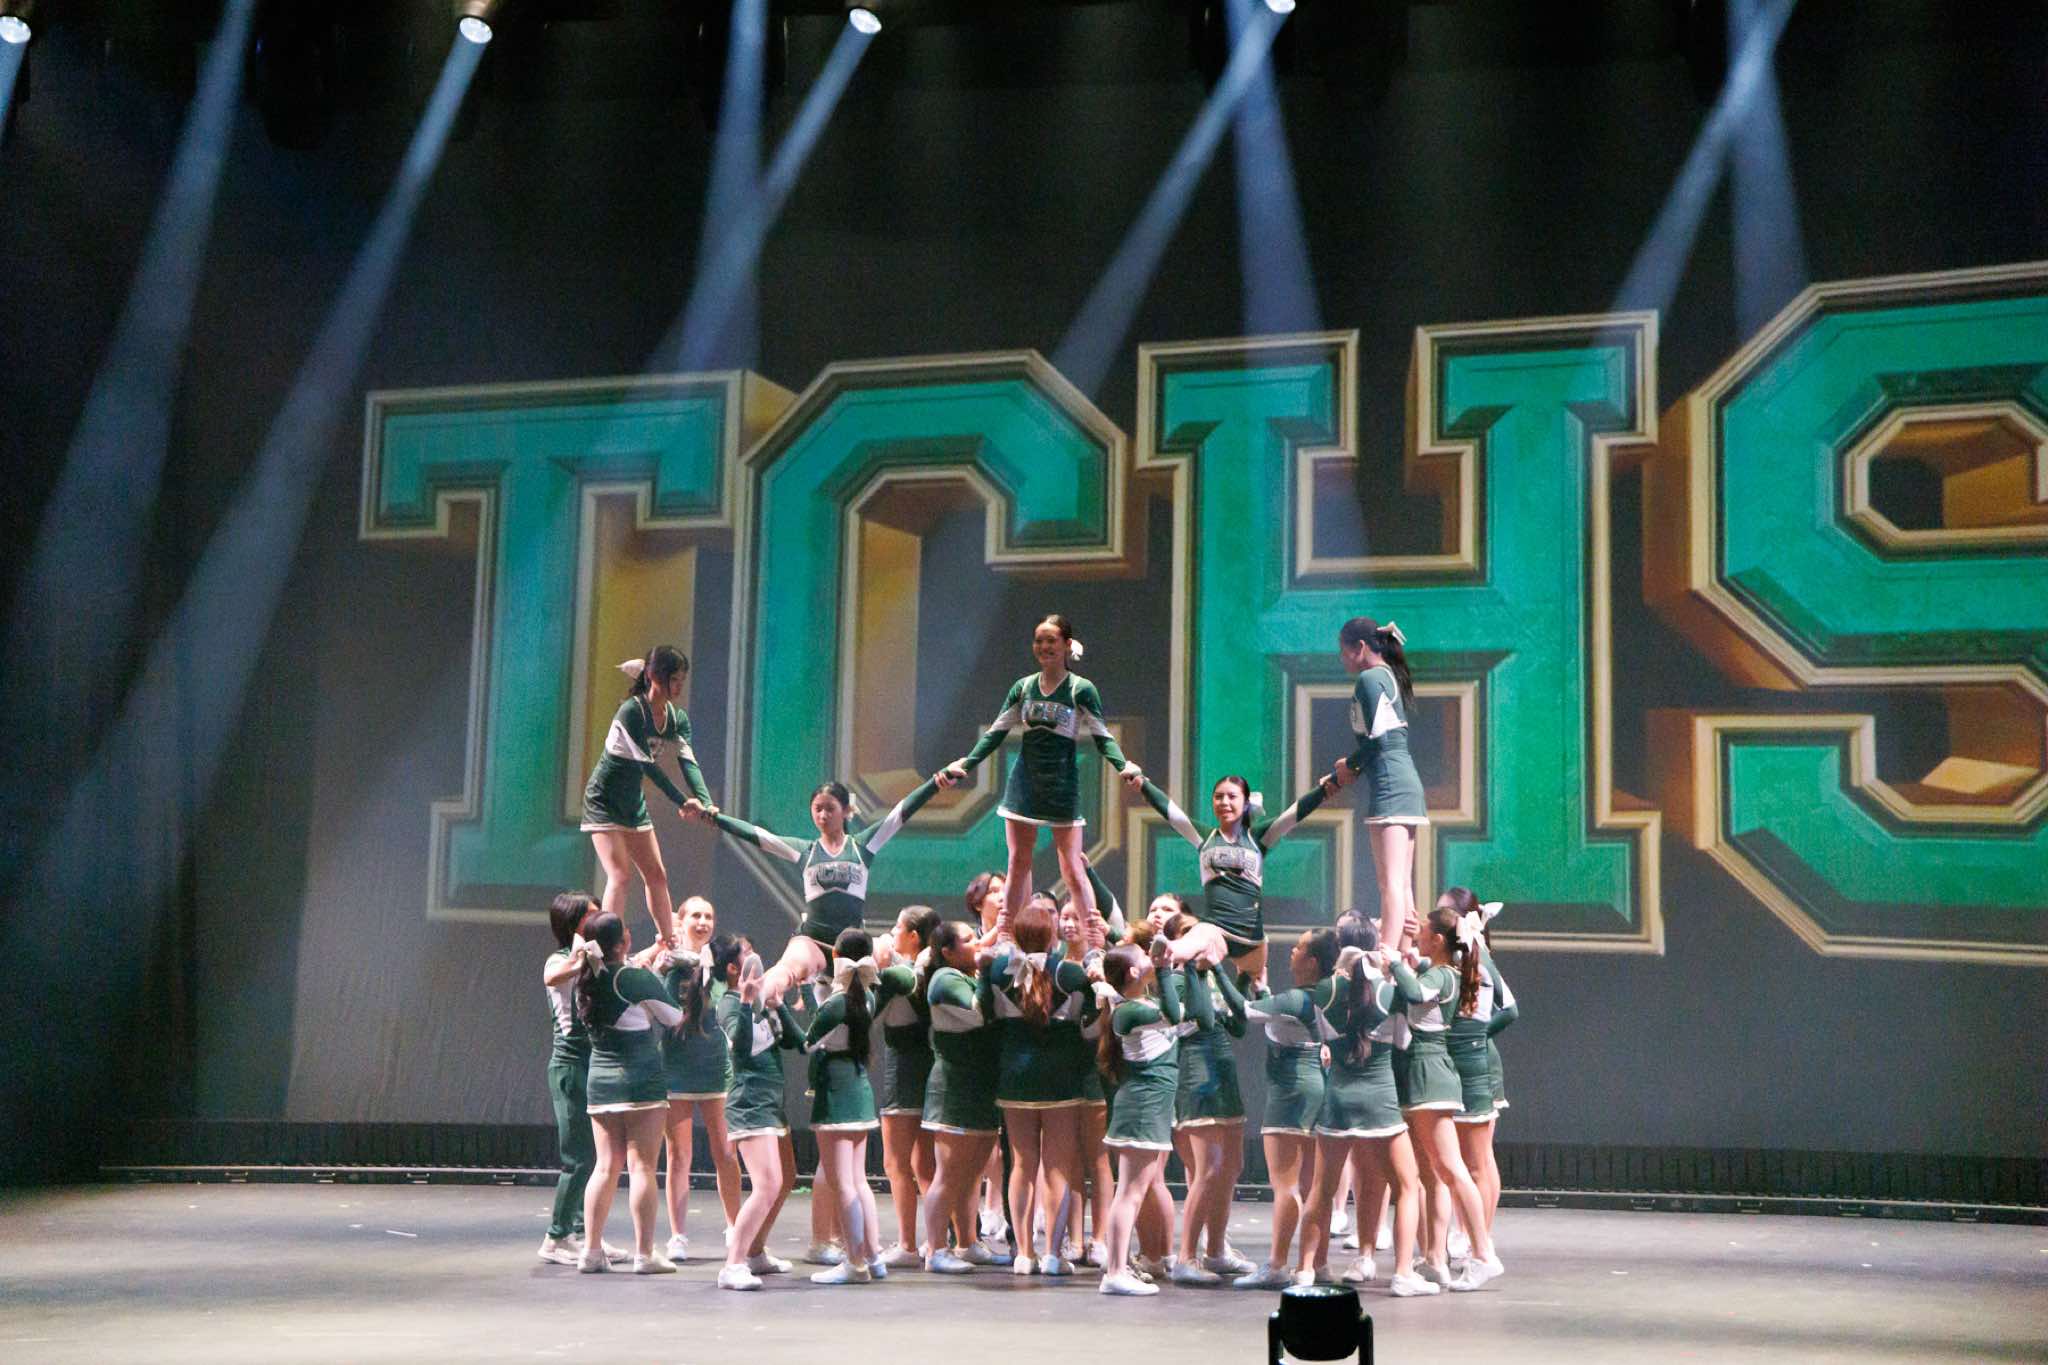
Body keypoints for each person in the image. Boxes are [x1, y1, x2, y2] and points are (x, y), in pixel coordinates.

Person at [937, 614, 1139, 946]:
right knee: (1018, 862)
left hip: (1061, 785)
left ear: (1066, 645)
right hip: (1025, 783)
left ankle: (1094, 940)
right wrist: (968, 763)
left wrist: (1123, 766)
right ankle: (1006, 935)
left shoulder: (1080, 689)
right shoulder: (1023, 687)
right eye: (1039, 640)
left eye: (1051, 641)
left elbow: (1103, 736)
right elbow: (997, 731)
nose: (1044, 646)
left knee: (1072, 867)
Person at [695, 777, 939, 1006]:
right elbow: (757, 835)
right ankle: (754, 997)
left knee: (885, 950)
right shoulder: (805, 851)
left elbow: (900, 813)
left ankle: (915, 986)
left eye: (830, 809)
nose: (823, 815)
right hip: (814, 942)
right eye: (817, 809)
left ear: (846, 810)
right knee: (787, 968)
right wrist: (718, 819)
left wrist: (939, 780)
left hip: (853, 947)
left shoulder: (862, 846)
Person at [1297, 944, 1435, 1296]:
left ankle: (1305, 1270)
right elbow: (1403, 1040)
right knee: (1407, 1186)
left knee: (1321, 1190)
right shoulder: (1389, 993)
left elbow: (1320, 1032)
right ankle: (1403, 1273)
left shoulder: (1326, 991)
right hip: (1380, 1103)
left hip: (1337, 1102)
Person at [1392, 907, 1505, 1290]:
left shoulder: (1443, 975)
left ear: (1438, 940)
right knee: (1437, 1173)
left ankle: (1483, 1254)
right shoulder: (1443, 971)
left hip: (1432, 1075)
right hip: (1424, 1075)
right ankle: (1435, 1259)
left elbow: (1414, 991)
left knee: (1453, 1170)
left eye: (1424, 931)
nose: (1419, 935)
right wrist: (1408, 963)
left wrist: (1395, 962)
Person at [1140, 771, 1335, 985]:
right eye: (1218, 797)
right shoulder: (1205, 837)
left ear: (1245, 803)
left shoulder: (1258, 837)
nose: (1224, 802)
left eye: (1232, 796)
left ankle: (1249, 990)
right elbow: (1170, 811)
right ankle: (1168, 952)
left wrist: (1324, 790)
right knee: (1198, 941)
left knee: (1252, 981)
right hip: (1216, 927)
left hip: (1251, 937)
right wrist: (1142, 783)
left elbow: (1294, 813)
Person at [572, 911, 684, 1274]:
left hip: (601, 1082)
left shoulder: (586, 977)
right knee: (642, 1167)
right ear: (624, 941)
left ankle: (591, 1251)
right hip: (641, 1080)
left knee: (605, 1167)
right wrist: (663, 976)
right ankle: (645, 1254)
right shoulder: (634, 978)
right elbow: (674, 1017)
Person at [1097, 940, 1210, 1297]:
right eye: (1144, 957)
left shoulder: (1143, 1005)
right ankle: (1114, 1271)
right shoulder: (1127, 1010)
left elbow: (1196, 1017)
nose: (1151, 958)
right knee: (1129, 1193)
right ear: (1133, 971)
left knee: (1134, 1191)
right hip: (1141, 1108)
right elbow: (1174, 1016)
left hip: (1151, 1108)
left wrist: (1192, 970)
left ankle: (1121, 1266)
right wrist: (1163, 969)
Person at [581, 647, 714, 945]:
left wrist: (705, 802)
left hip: (632, 803)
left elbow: (688, 761)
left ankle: (670, 942)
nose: (678, 687)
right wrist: (683, 801)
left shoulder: (677, 718)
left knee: (656, 875)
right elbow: (648, 766)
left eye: (682, 680)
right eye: (674, 680)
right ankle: (606, 946)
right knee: (620, 875)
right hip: (604, 799)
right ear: (653, 675)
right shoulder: (632, 711)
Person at [988, 899, 1092, 1276]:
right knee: (1058, 1166)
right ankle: (1052, 1254)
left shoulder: (999, 970)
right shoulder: (1070, 973)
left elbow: (987, 1014)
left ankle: (1023, 1253)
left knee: (1021, 1164)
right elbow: (1088, 1022)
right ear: (1052, 936)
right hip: (1061, 1077)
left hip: (1015, 1076)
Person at [1232, 927, 1339, 1289]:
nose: (1291, 951)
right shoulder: (1323, 995)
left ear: (1312, 961)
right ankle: (1318, 1263)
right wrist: (1262, 989)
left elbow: (1243, 1010)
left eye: (1299, 947)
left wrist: (1228, 973)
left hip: (1291, 1092)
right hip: (1318, 1088)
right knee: (1313, 1187)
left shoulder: (1296, 998)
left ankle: (1277, 1264)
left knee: (1285, 1185)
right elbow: (1277, 1014)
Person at [1325, 617, 1428, 958]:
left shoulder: (1370, 678)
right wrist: (1350, 767)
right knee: (1401, 882)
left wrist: (1349, 766)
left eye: (1343, 651)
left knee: (1391, 883)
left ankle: (1386, 956)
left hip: (1391, 785)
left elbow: (1379, 740)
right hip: (1399, 782)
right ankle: (1404, 953)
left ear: (1360, 648)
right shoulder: (1386, 676)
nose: (1342, 659)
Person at [714, 941, 807, 1291]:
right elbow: (739, 1046)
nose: (756, 955)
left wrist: (777, 1006)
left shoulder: (762, 1001)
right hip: (750, 1103)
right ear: (733, 968)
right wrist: (746, 1001)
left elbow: (798, 1042)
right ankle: (733, 1264)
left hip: (771, 1103)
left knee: (785, 1178)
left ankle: (755, 1251)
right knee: (766, 1184)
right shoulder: (729, 1003)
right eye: (747, 951)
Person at [654, 896, 741, 1262]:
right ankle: (678, 1236)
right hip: (676, 1068)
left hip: (715, 1067)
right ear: (681, 920)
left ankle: (736, 1228)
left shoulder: (720, 963)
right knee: (678, 1155)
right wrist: (662, 965)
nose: (703, 922)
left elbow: (724, 1004)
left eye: (708, 916)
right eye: (696, 915)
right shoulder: (667, 963)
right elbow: (659, 1010)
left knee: (726, 1152)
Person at [919, 920, 1007, 1274]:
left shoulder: (969, 974)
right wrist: (986, 972)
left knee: (972, 1174)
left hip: (983, 1086)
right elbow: (980, 1012)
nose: (978, 943)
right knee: (949, 1173)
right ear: (947, 951)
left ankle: (967, 1243)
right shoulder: (944, 979)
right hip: (955, 1088)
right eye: (969, 940)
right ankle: (935, 1249)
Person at [537, 892, 617, 1267]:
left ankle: (586, 1236)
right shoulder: (560, 959)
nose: (599, 918)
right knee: (578, 1158)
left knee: (598, 1157)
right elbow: (552, 976)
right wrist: (580, 959)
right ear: (574, 922)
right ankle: (556, 1237)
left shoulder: (597, 958)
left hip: (594, 1063)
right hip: (570, 1066)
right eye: (591, 914)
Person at [804, 929, 887, 1284]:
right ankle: (873, 1256)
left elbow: (808, 1042)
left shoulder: (837, 1003)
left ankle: (855, 1263)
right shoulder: (866, 996)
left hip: (836, 1093)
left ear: (837, 957)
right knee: (858, 1180)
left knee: (843, 1184)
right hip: (859, 1087)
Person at [1170, 953, 1252, 1286]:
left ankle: (1216, 1250)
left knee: (1232, 1165)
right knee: (1207, 1170)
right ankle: (1185, 1258)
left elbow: (1239, 1025)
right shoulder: (1175, 980)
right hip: (1197, 1072)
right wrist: (1197, 968)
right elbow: (1203, 1018)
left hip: (1223, 1071)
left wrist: (1242, 977)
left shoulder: (1213, 978)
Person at [1440, 890, 1514, 1239]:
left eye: (1443, 911)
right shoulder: (1455, 954)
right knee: (1465, 1159)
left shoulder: (1478, 953)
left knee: (1479, 1160)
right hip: (1460, 1063)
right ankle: (1467, 1232)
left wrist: (1475, 1036)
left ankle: (1478, 1238)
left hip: (1480, 1065)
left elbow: (1510, 1009)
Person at [873, 905, 941, 1267]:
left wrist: (879, 962)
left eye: (897, 927)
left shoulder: (901, 976)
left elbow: (870, 1012)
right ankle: (937, 1243)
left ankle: (907, 1245)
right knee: (925, 1165)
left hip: (903, 1070)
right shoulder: (932, 970)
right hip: (928, 1068)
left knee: (896, 1163)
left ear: (914, 936)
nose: (892, 932)